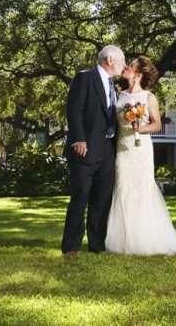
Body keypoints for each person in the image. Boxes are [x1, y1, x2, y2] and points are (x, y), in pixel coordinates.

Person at [105, 56, 176, 255]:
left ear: (138, 74)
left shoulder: (149, 98)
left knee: (141, 191)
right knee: (123, 189)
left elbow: (157, 124)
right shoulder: (119, 95)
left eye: (130, 65)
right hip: (122, 150)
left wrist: (140, 127)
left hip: (140, 150)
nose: (125, 67)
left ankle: (143, 239)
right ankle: (123, 242)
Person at [61, 45, 126, 256]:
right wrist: (79, 139)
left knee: (102, 199)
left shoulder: (113, 86)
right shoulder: (84, 78)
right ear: (109, 59)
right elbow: (74, 110)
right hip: (84, 149)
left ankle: (97, 246)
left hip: (107, 150)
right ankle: (71, 247)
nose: (124, 65)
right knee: (80, 197)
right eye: (122, 60)